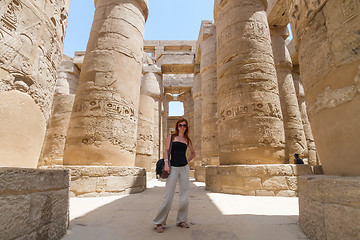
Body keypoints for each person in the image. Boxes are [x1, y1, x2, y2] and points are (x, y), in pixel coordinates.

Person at [153, 118, 196, 233]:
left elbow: (193, 153)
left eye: (184, 126)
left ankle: (181, 220)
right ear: (177, 126)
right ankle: (159, 222)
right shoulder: (171, 137)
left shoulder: (187, 140)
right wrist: (166, 163)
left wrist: (187, 161)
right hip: (173, 168)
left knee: (184, 195)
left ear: (186, 127)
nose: (182, 127)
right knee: (168, 195)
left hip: (184, 168)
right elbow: (166, 151)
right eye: (180, 125)